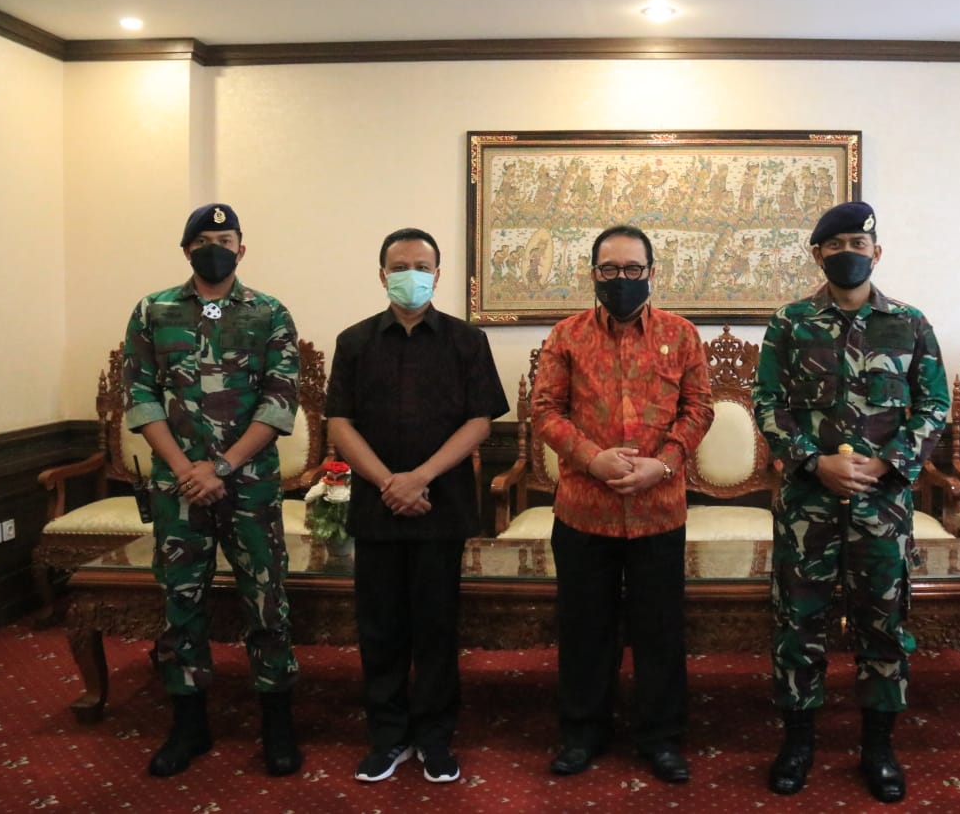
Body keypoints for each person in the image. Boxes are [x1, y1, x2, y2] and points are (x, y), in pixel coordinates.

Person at [752, 201, 949, 803]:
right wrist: (816, 462)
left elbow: (933, 405)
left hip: (882, 507)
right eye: (834, 246)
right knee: (798, 626)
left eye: (857, 244)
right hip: (808, 507)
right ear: (818, 255)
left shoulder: (910, 323)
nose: (847, 254)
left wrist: (887, 463)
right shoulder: (790, 323)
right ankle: (798, 744)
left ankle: (879, 748)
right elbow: (767, 403)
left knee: (883, 626)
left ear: (876, 252)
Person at [122, 202, 302, 778]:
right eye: (203, 240)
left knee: (267, 602)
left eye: (224, 240)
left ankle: (277, 726)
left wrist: (220, 468)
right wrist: (186, 470)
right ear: (186, 250)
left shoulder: (270, 313)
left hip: (250, 486)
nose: (214, 248)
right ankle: (188, 725)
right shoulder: (153, 311)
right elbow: (140, 397)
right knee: (181, 604)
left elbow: (279, 402)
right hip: (179, 489)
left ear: (242, 249)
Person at [326, 227, 508, 785]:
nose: (412, 275)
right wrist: (389, 483)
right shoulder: (354, 342)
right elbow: (339, 424)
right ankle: (388, 737)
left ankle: (434, 737)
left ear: (438, 274)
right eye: (400, 266)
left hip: (441, 506)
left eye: (422, 267)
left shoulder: (466, 341)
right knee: (380, 628)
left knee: (436, 627)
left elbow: (480, 421)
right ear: (383, 275)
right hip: (376, 506)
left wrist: (420, 478)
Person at [532, 224, 714, 784]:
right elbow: (545, 410)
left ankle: (660, 738)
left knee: (660, 630)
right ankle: (582, 733)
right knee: (585, 628)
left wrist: (664, 464)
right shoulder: (565, 336)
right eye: (609, 269)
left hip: (659, 510)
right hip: (585, 509)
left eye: (633, 269)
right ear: (593, 274)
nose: (621, 279)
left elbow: (699, 408)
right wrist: (593, 459)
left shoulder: (682, 334)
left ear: (652, 272)